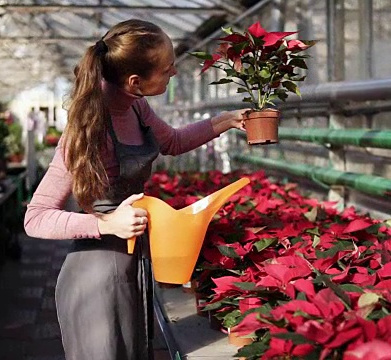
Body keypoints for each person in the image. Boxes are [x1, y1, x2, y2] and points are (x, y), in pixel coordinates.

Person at [23, 19, 246, 360]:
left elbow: (170, 141)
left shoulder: (136, 106)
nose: (174, 73)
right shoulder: (88, 128)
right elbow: (35, 218)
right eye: (168, 69)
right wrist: (104, 224)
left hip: (132, 262)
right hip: (96, 275)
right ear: (135, 82)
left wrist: (226, 121)